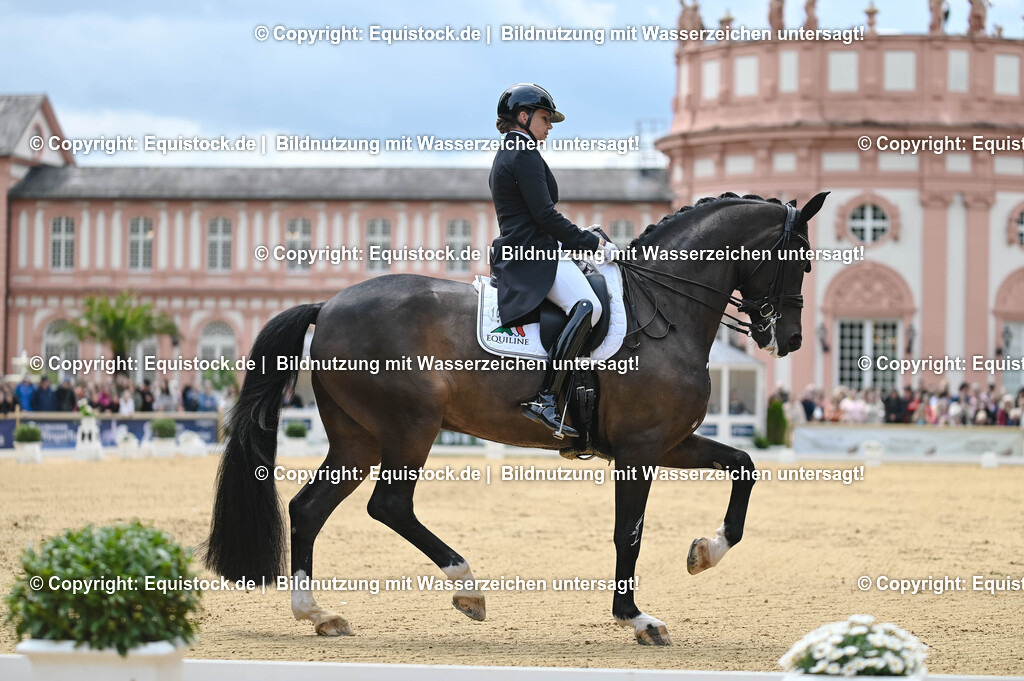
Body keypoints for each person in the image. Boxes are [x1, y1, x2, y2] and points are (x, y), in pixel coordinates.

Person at [489, 83, 618, 437]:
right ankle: (546, 397)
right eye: (545, 119)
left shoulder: (509, 152)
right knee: (588, 305)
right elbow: (546, 217)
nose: (549, 127)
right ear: (523, 116)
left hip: (528, 249)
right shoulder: (524, 153)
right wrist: (591, 243)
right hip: (532, 255)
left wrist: (581, 237)